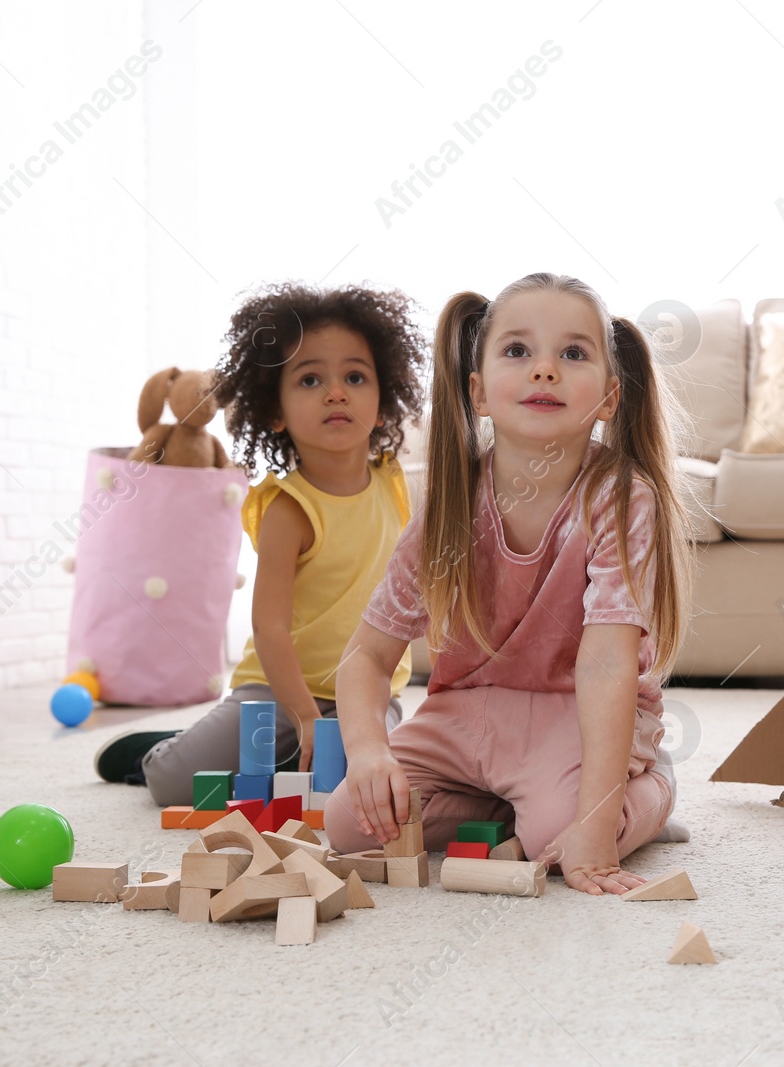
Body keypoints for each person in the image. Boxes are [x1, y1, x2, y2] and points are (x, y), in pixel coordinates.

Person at [324, 272, 692, 894]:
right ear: (479, 392)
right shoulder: (448, 506)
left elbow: (606, 665)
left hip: (577, 713)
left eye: (572, 354)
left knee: (562, 837)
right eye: (518, 351)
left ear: (607, 397)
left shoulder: (623, 498)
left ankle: (650, 786)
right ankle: (516, 803)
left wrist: (598, 826)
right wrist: (368, 752)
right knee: (349, 824)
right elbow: (366, 655)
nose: (544, 370)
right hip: (466, 712)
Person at [94, 282, 429, 806]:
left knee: (366, 787)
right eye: (311, 378)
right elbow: (268, 627)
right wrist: (303, 716)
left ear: (383, 405)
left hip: (365, 694)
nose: (335, 392)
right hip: (274, 694)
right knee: (175, 787)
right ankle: (159, 751)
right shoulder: (287, 507)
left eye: (355, 377)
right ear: (275, 412)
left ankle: (279, 762)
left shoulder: (394, 483)